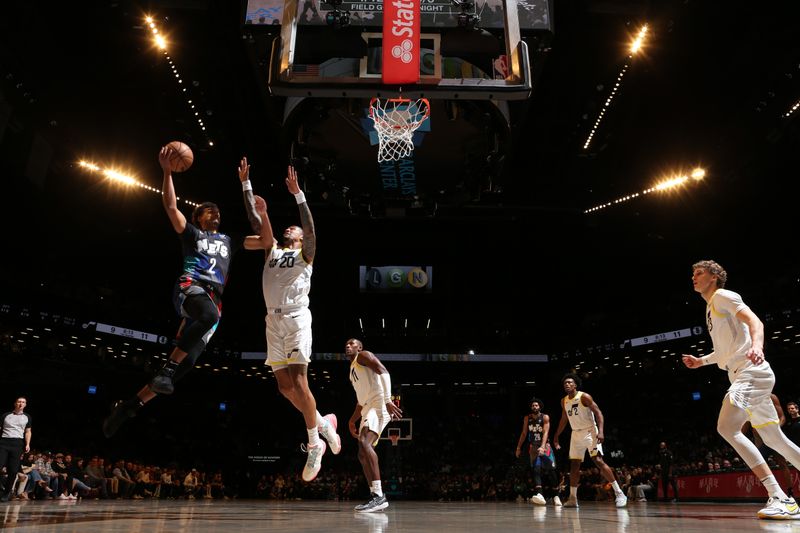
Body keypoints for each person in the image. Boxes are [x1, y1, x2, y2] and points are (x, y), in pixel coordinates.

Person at [103, 147, 261, 437]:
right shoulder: (192, 234)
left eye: (218, 210)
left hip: (214, 300)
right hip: (191, 286)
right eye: (209, 210)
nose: (215, 212)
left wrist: (246, 188)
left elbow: (265, 239)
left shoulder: (231, 240)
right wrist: (166, 172)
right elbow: (171, 207)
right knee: (193, 337)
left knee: (186, 366)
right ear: (199, 217)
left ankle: (129, 406)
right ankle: (166, 367)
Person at [682, 259, 800, 520]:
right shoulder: (712, 308)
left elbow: (755, 322)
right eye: (693, 274)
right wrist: (701, 361)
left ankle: (779, 496)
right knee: (773, 439)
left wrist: (758, 346)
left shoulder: (723, 296)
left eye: (699, 273)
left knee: (726, 427)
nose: (694, 277)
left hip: (751, 373)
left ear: (714, 277)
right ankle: (782, 498)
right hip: (742, 374)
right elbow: (726, 350)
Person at [244, 165, 340, 482]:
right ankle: (324, 424)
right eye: (289, 229)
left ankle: (315, 445)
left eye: (294, 230)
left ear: (300, 238)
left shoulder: (306, 255)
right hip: (272, 319)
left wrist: (298, 195)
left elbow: (311, 231)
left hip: (298, 317)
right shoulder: (271, 249)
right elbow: (257, 221)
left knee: (300, 383)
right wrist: (246, 185)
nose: (290, 230)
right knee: (284, 388)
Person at [344, 338, 402, 513]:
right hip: (368, 406)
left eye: (352, 344)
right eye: (346, 344)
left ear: (360, 347)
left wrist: (387, 400)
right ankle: (374, 495)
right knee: (362, 453)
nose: (348, 346)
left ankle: (379, 496)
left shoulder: (363, 356)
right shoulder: (352, 369)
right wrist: (351, 420)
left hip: (379, 404)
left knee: (365, 443)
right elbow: (361, 402)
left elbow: (383, 371)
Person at [553, 373, 627, 508]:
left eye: (570, 382)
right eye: (565, 383)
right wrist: (556, 435)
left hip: (590, 431)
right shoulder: (564, 401)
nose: (567, 385)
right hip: (575, 434)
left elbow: (599, 413)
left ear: (575, 385)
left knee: (598, 461)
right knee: (574, 465)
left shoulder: (584, 397)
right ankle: (573, 498)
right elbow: (564, 419)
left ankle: (619, 493)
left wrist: (601, 431)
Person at [743, 394, 793, 496]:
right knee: (760, 465)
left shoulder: (772, 397)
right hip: (759, 437)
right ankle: (773, 492)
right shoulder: (749, 400)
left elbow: (782, 417)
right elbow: (746, 421)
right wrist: (740, 437)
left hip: (773, 435)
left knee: (782, 463)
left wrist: (776, 429)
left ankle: (790, 492)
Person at [515, 398, 560, 506]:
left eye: (536, 405)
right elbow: (524, 433)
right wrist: (518, 447)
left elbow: (546, 433)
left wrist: (543, 446)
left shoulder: (545, 417)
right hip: (533, 447)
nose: (534, 407)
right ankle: (540, 495)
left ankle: (556, 495)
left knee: (551, 471)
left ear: (540, 407)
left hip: (545, 446)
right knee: (536, 469)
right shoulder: (527, 418)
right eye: (533, 405)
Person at [1, 397, 32, 502]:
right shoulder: (6, 415)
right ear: (15, 403)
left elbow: (28, 431)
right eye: (19, 401)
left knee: (13, 470)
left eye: (23, 402)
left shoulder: (27, 417)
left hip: (18, 444)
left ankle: (6, 493)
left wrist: (27, 444)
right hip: (4, 442)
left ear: (25, 405)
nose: (21, 403)